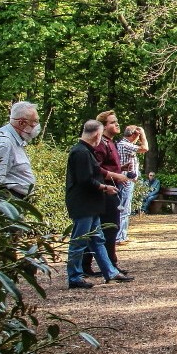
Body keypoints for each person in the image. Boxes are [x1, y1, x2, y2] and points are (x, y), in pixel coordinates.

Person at [64, 120, 131, 288]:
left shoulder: (86, 151)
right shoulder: (80, 152)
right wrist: (105, 187)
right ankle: (74, 276)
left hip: (91, 203)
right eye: (101, 136)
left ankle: (110, 272)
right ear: (96, 135)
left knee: (97, 239)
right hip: (83, 203)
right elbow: (85, 180)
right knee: (79, 241)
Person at [83, 111, 131, 277]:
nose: (117, 124)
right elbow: (96, 168)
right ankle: (111, 265)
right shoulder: (101, 144)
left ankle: (88, 266)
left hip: (112, 188)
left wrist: (121, 168)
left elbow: (106, 165)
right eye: (112, 122)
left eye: (116, 121)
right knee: (110, 228)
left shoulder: (111, 142)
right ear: (103, 127)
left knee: (102, 228)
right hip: (106, 191)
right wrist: (116, 175)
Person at [0, 101, 40, 200]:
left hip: (15, 202)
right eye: (35, 122)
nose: (37, 126)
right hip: (6, 202)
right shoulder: (3, 142)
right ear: (21, 123)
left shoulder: (15, 140)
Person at [115, 125, 147, 241]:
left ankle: (122, 235)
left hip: (127, 179)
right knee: (124, 208)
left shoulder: (123, 144)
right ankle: (120, 237)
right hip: (126, 179)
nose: (138, 139)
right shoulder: (125, 145)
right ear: (133, 135)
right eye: (137, 136)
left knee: (124, 207)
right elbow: (145, 148)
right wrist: (142, 134)